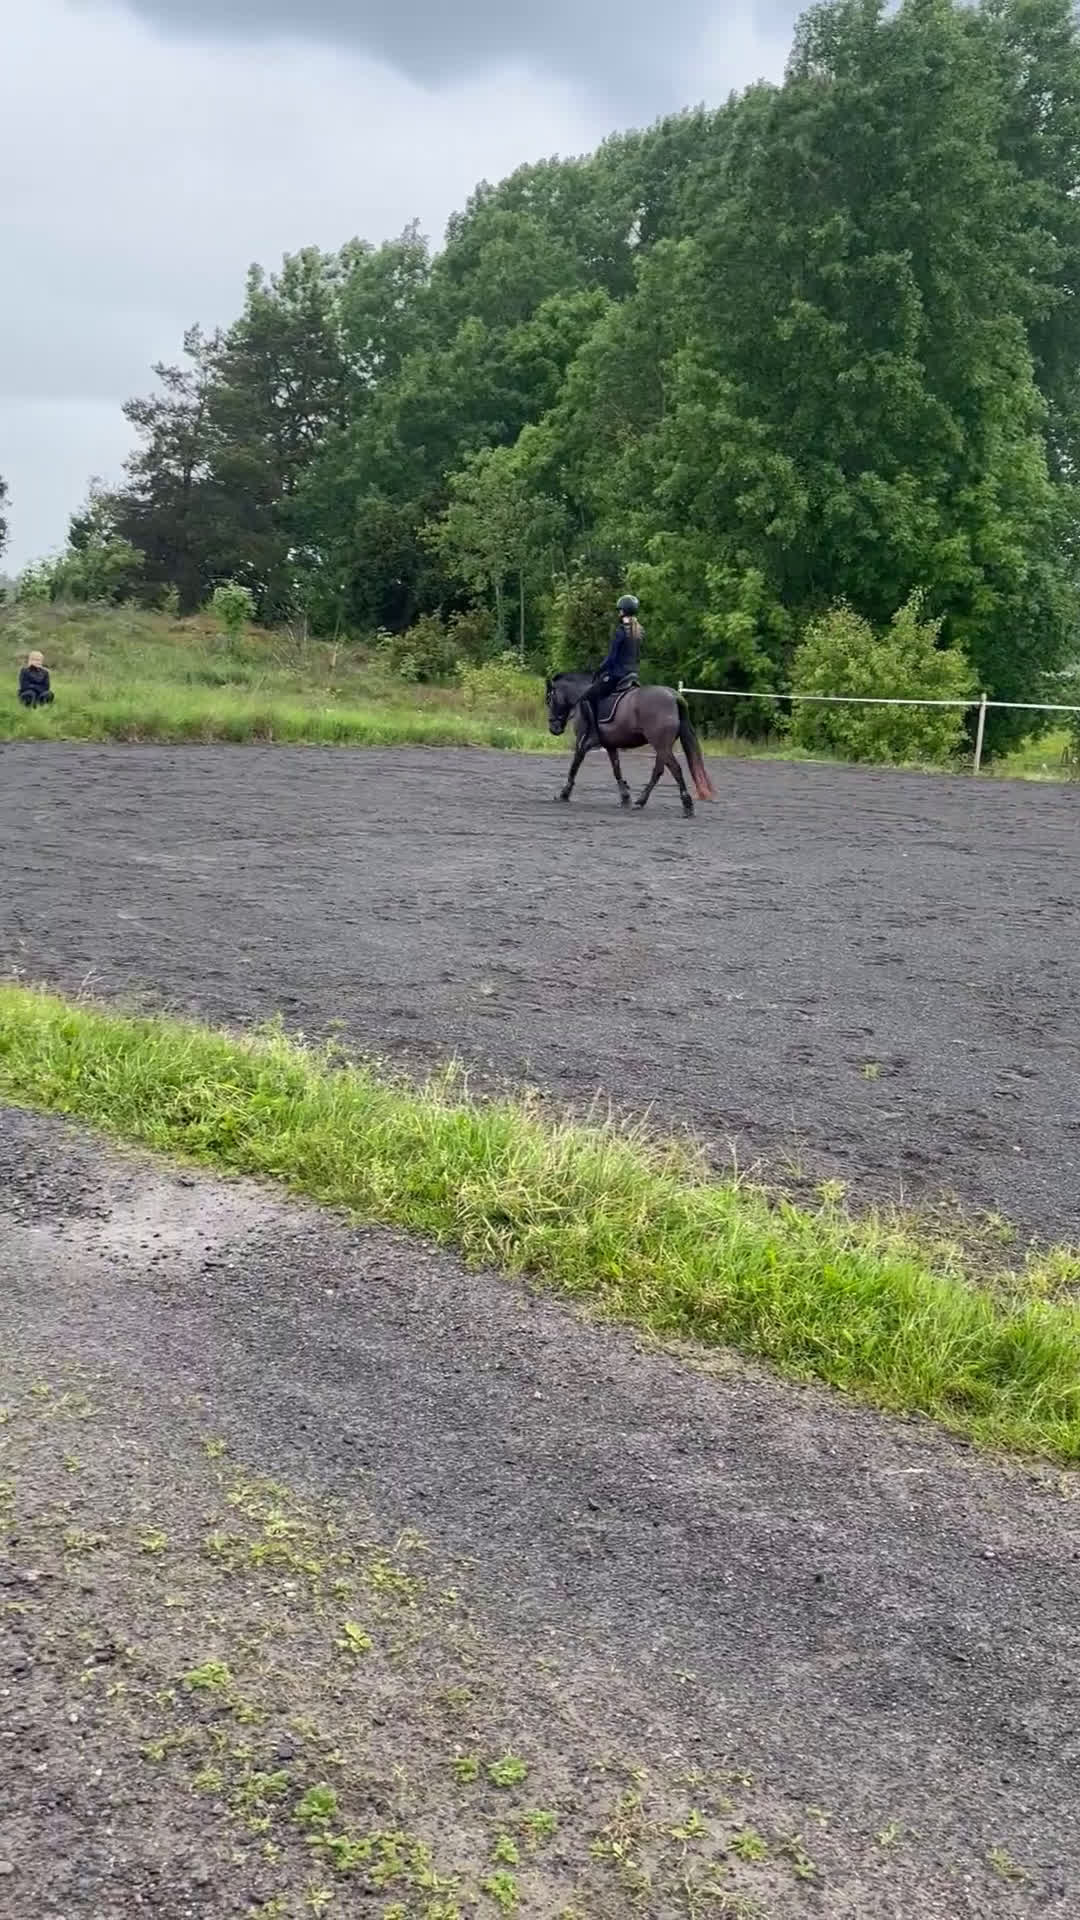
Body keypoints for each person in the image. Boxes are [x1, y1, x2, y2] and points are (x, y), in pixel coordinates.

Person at [578, 594, 643, 737]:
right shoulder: (639, 631)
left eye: (620, 610)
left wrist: (599, 670)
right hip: (633, 675)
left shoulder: (621, 631)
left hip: (618, 675)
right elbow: (637, 655)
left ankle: (595, 733)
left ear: (623, 611)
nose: (619, 612)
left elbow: (612, 657)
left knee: (587, 697)